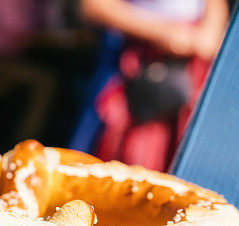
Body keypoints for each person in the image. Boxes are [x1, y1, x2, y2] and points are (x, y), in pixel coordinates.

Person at [71, 0, 228, 171]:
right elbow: (94, 7)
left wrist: (200, 39)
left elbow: (213, 27)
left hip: (190, 73)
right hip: (135, 67)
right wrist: (164, 33)